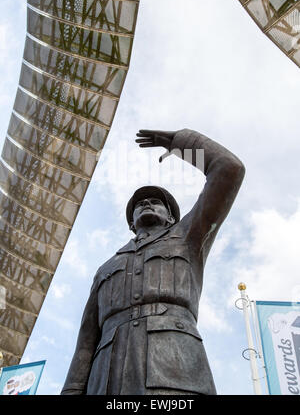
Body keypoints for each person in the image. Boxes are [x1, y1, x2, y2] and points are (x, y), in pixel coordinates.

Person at [61, 128, 245, 395]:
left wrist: (184, 144)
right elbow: (86, 343)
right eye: (140, 204)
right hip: (107, 380)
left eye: (156, 202)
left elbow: (229, 169)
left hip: (175, 370)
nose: (146, 204)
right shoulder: (105, 270)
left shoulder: (189, 236)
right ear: (130, 223)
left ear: (170, 218)